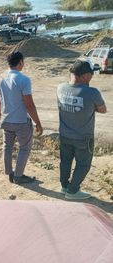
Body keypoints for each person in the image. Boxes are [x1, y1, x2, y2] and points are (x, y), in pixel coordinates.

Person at [57, 59, 107, 200]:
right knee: (83, 164)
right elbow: (103, 110)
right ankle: (73, 191)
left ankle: (64, 186)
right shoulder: (92, 92)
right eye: (91, 75)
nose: (92, 78)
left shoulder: (60, 88)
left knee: (65, 161)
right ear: (85, 75)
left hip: (64, 135)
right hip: (83, 137)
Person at [0, 51, 43, 184]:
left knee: (7, 147)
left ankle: (10, 173)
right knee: (24, 148)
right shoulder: (24, 80)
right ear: (20, 62)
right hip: (21, 122)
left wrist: (0, 117)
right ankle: (19, 176)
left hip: (5, 120)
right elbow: (29, 104)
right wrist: (37, 122)